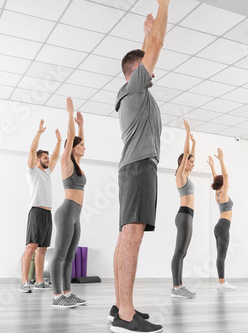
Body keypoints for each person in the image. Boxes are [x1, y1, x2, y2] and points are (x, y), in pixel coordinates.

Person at [110, 2, 169, 332]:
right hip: (139, 169)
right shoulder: (134, 87)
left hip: (133, 169)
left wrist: (145, 37)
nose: (154, 72)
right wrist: (164, 5)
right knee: (132, 238)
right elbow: (158, 44)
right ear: (137, 70)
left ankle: (121, 306)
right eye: (148, 67)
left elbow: (152, 45)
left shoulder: (132, 92)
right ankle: (125, 317)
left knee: (125, 238)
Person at [50, 98, 87, 308]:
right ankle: (57, 297)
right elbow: (71, 137)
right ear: (72, 148)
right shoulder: (65, 162)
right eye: (81, 146)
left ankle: (68, 293)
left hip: (76, 214)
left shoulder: (77, 165)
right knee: (60, 255)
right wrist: (70, 114)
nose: (84, 148)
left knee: (70, 256)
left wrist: (82, 125)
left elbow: (77, 138)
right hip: (66, 213)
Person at [20, 120, 61, 293]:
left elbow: (57, 157)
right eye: (45, 158)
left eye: (48, 158)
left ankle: (39, 281)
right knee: (31, 247)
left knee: (43, 249)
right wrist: (38, 133)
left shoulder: (47, 172)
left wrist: (59, 142)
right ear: (38, 160)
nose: (48, 160)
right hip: (36, 212)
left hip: (47, 214)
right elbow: (31, 151)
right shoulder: (33, 171)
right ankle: (24, 282)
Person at [171, 119, 196, 299]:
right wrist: (187, 134)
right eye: (191, 162)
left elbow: (190, 154)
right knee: (179, 252)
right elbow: (186, 153)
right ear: (183, 162)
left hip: (189, 215)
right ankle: (177, 288)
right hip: (183, 215)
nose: (193, 164)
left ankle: (180, 286)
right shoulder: (180, 175)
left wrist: (194, 143)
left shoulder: (187, 175)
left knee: (183, 252)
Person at [207, 149, 237, 291]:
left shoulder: (217, 194)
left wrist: (212, 167)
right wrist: (221, 159)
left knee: (220, 255)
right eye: (226, 183)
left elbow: (217, 179)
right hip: (224, 226)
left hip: (219, 226)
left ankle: (221, 282)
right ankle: (222, 282)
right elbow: (225, 175)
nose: (228, 183)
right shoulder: (223, 194)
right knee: (222, 255)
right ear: (223, 184)